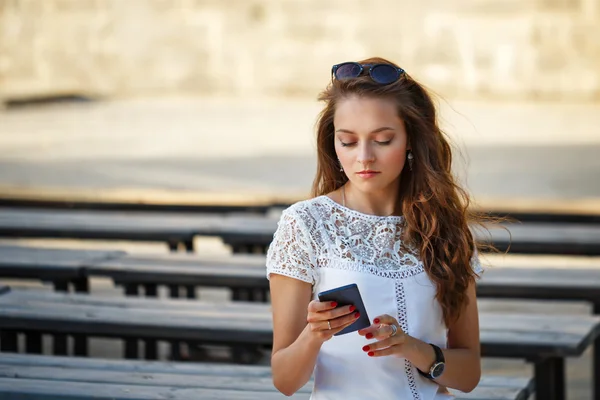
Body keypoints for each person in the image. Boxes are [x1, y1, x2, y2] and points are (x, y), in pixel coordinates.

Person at [266, 57, 484, 399]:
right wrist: (314, 335)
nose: (364, 157)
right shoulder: (304, 224)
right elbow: (285, 380)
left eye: (383, 140)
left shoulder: (446, 228)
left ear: (411, 139)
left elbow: (469, 374)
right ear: (332, 142)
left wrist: (414, 349)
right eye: (348, 142)